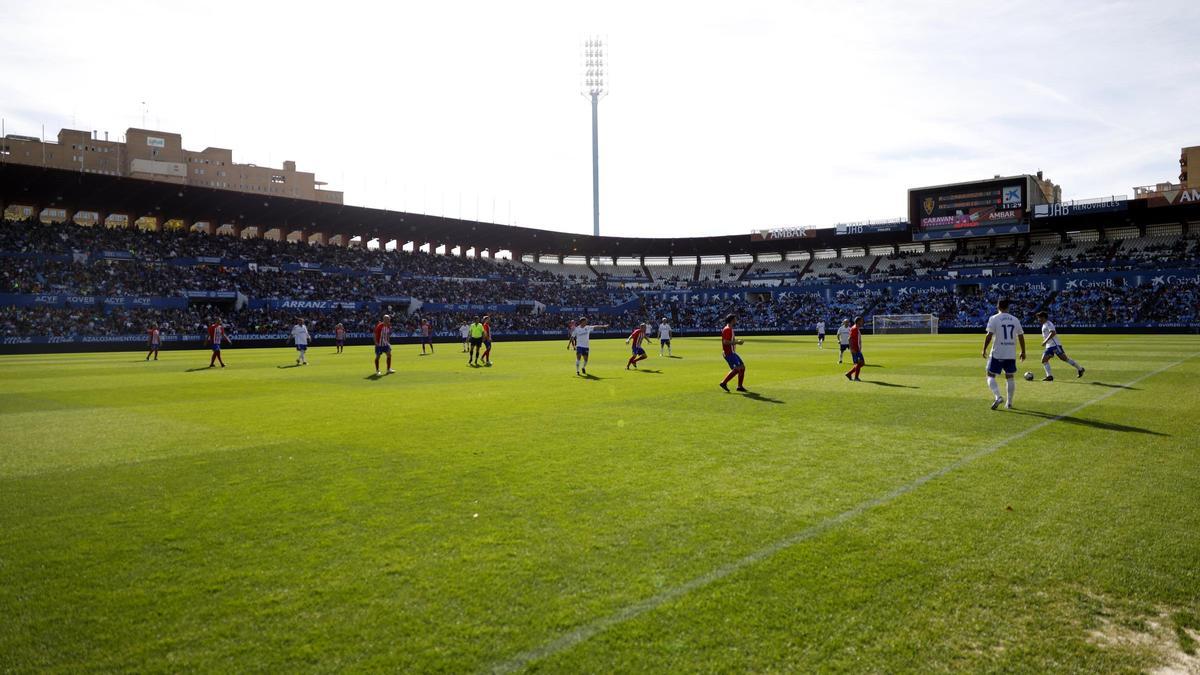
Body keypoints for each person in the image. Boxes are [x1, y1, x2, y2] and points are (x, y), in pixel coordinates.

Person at [982, 299, 1026, 410]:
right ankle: (1009, 403)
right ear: (1008, 307)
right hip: (1010, 352)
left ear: (998, 307)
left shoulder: (994, 318)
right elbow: (1020, 335)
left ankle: (998, 397)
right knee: (1010, 376)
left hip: (997, 352)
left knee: (990, 375)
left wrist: (984, 349)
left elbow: (989, 335)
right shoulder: (1015, 319)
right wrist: (1023, 351)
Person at [1037, 310, 1084, 381]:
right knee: (1044, 360)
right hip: (1049, 346)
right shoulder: (1044, 325)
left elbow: (1053, 332)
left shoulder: (1048, 323)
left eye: (1039, 318)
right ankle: (1049, 376)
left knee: (1064, 359)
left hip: (1055, 345)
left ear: (1043, 317)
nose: (1038, 319)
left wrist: (1045, 341)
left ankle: (1080, 369)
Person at [719, 314, 747, 392]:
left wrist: (736, 342)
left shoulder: (730, 328)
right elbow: (725, 342)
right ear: (732, 320)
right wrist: (737, 342)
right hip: (729, 353)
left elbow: (729, 340)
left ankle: (739, 386)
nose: (736, 320)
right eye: (735, 319)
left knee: (742, 367)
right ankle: (723, 382)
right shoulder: (727, 329)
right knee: (738, 368)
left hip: (732, 353)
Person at [844, 316, 865, 381]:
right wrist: (852, 348)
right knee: (860, 363)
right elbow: (850, 339)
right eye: (861, 321)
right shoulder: (854, 328)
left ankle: (849, 374)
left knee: (860, 363)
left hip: (857, 349)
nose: (862, 322)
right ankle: (855, 377)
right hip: (855, 349)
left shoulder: (856, 328)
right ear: (858, 322)